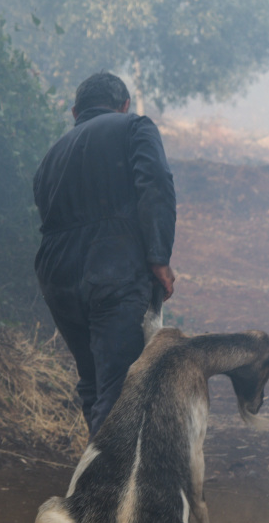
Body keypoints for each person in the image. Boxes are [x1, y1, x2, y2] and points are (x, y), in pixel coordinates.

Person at [33, 72, 176, 434]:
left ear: (75, 111)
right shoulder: (134, 126)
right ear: (123, 105)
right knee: (118, 386)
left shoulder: (51, 155)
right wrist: (159, 257)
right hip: (112, 264)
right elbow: (155, 183)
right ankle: (107, 484)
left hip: (56, 274)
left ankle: (100, 468)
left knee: (93, 382)